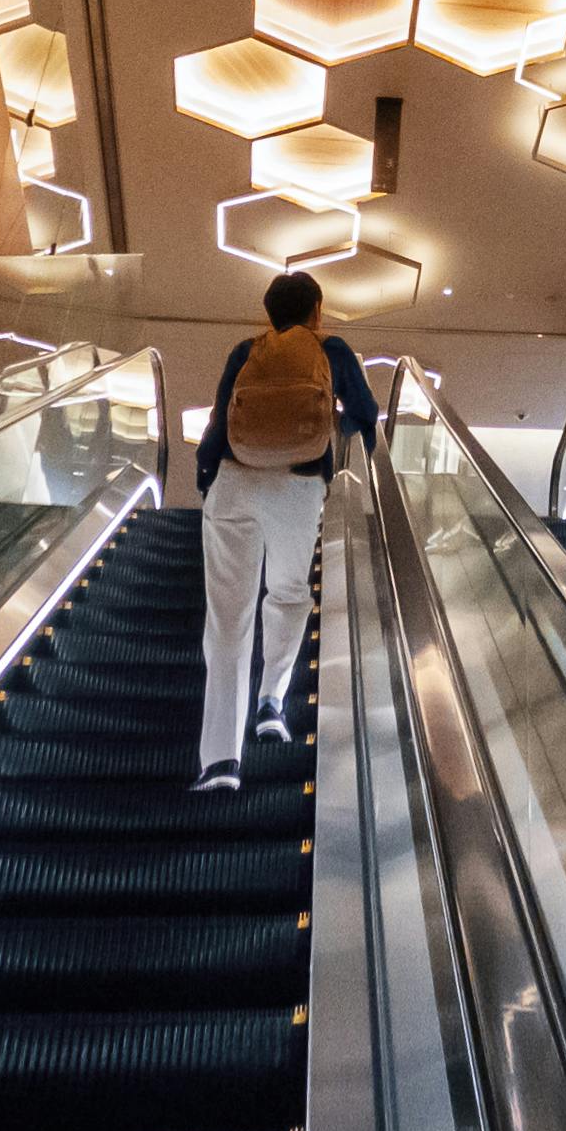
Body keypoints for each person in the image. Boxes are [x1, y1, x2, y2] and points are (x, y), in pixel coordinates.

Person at [192, 269, 379, 791]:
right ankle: (272, 699)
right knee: (291, 593)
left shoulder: (246, 350)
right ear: (317, 311)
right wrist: (330, 430)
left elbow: (217, 423)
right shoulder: (332, 348)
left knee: (227, 621)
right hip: (297, 488)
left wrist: (209, 478)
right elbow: (365, 413)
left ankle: (221, 762)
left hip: (233, 481)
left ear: (268, 313)